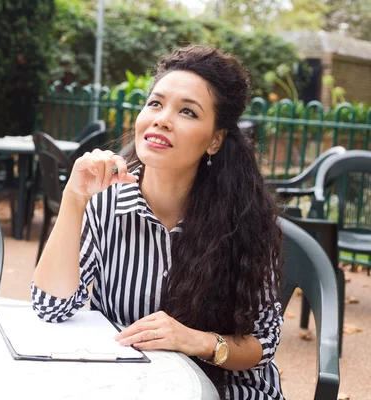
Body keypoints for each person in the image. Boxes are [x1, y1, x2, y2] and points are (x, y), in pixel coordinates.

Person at [31, 45, 284, 399]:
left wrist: (194, 340)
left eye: (187, 112)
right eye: (155, 103)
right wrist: (74, 199)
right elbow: (50, 307)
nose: (162, 118)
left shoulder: (245, 220)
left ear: (215, 140)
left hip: (227, 390)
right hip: (132, 387)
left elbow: (263, 342)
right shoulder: (105, 203)